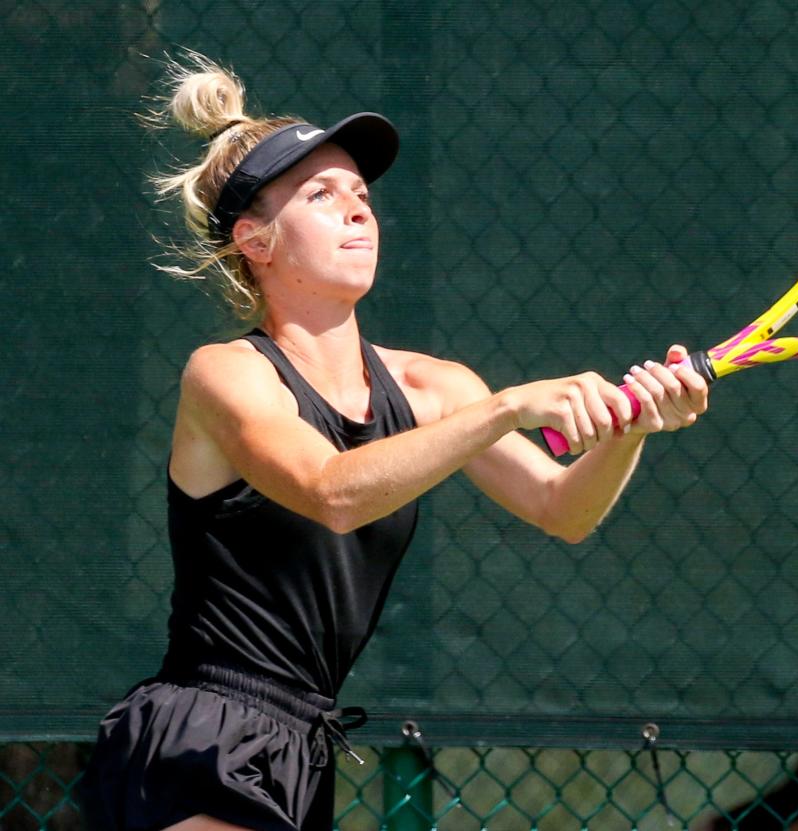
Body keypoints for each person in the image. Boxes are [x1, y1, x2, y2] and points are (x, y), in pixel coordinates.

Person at [79, 51, 708, 831]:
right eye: (321, 194)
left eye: (362, 195)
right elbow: (332, 491)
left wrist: (628, 432)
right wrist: (506, 405)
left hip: (302, 747)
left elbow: (562, 508)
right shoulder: (226, 375)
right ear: (256, 240)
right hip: (202, 733)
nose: (357, 210)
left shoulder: (432, 387)